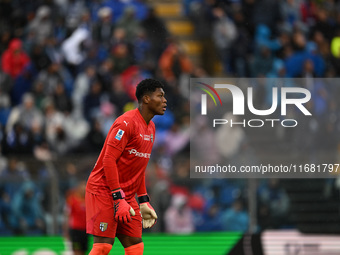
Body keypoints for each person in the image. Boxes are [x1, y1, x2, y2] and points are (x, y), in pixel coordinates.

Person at [85, 78, 167, 255]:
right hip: (104, 190)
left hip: (126, 195)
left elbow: (139, 168)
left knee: (136, 247)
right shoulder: (126, 123)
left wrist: (143, 200)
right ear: (146, 99)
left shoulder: (151, 128)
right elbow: (108, 160)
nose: (164, 100)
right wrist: (117, 197)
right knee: (103, 247)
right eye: (160, 96)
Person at [64, 180, 88, 255]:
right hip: (75, 230)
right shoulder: (72, 200)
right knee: (77, 251)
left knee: (84, 251)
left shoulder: (88, 200)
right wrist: (66, 231)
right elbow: (67, 215)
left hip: (85, 231)